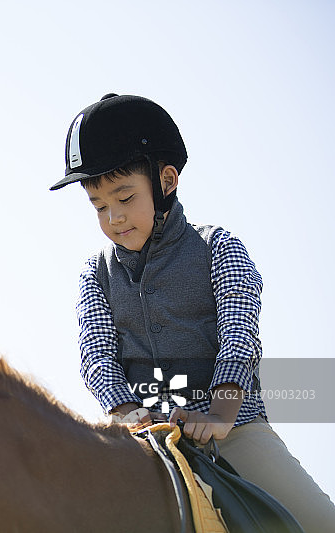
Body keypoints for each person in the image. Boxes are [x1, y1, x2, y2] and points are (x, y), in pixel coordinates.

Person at [50, 93, 335, 532]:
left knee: (319, 522)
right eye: (99, 206)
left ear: (166, 181)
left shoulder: (219, 248)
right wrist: (132, 416)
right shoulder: (96, 274)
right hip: (144, 439)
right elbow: (96, 357)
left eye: (125, 197)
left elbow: (239, 336)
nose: (114, 218)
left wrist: (220, 415)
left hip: (233, 432)